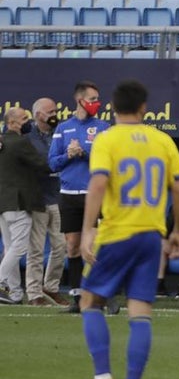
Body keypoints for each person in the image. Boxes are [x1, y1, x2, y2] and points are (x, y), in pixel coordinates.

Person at [72, 79, 179, 379]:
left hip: (116, 233)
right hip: (151, 237)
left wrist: (88, 229)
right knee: (140, 313)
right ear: (143, 108)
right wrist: (178, 230)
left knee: (89, 302)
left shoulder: (107, 139)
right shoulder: (162, 140)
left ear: (112, 106)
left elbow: (97, 184)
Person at [49, 80, 110, 313]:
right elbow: (52, 162)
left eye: (97, 100)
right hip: (68, 195)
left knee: (92, 247)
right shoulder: (63, 128)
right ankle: (77, 298)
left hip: (93, 194)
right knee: (73, 247)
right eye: (93, 100)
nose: (97, 104)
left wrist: (83, 153)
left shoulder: (103, 127)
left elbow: (106, 160)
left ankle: (100, 296)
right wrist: (68, 154)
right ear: (79, 100)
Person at [0, 108, 51, 305]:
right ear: (12, 122)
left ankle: (13, 293)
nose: (27, 122)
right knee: (19, 247)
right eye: (24, 119)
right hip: (18, 203)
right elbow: (43, 165)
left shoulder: (3, 142)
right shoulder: (20, 142)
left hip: (3, 203)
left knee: (10, 248)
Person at [25, 98, 68, 306]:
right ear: (38, 115)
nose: (54, 114)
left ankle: (51, 287)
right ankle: (34, 293)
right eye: (50, 111)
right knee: (36, 248)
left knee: (61, 246)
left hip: (58, 196)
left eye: (55, 110)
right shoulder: (27, 137)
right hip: (38, 198)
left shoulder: (59, 133)